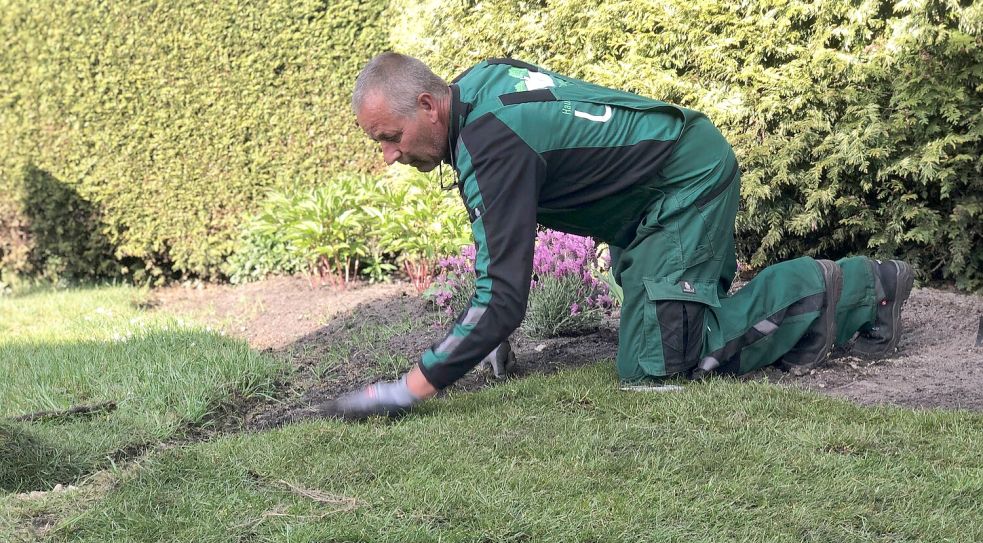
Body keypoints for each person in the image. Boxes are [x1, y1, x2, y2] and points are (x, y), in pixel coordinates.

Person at [324, 52, 914, 420]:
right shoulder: (478, 89)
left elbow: (503, 295)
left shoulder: (490, 142)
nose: (389, 155)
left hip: (684, 184)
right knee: (663, 329)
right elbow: (502, 241)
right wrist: (490, 340)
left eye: (391, 136)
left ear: (428, 105)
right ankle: (702, 298)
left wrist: (410, 388)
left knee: (659, 365)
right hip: (652, 202)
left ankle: (866, 285)